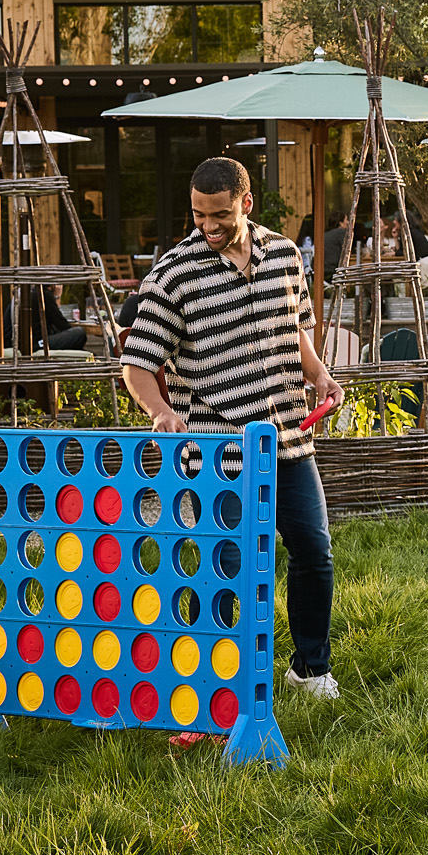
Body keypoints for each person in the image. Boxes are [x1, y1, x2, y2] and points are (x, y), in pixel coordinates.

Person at [121, 157, 340, 699]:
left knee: (313, 551)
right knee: (229, 566)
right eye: (198, 216)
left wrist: (319, 375)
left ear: (246, 203)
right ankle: (203, 680)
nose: (208, 226)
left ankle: (311, 669)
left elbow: (298, 331)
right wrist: (160, 412)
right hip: (218, 451)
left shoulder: (286, 256)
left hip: (289, 439)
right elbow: (137, 363)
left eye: (219, 215)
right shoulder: (173, 275)